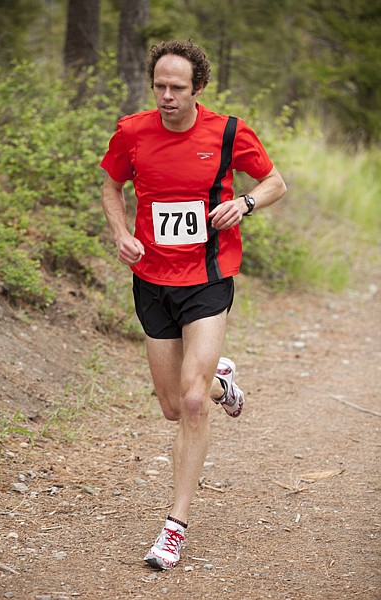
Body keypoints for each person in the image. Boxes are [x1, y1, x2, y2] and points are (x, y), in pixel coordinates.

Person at [100, 39, 286, 571]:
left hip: (208, 276)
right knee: (173, 406)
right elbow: (112, 186)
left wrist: (244, 203)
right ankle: (224, 382)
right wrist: (120, 234)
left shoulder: (227, 131)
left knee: (194, 403)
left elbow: (275, 182)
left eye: (177, 88)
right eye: (159, 85)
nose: (166, 96)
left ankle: (174, 526)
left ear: (197, 88)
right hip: (152, 280)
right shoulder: (133, 131)